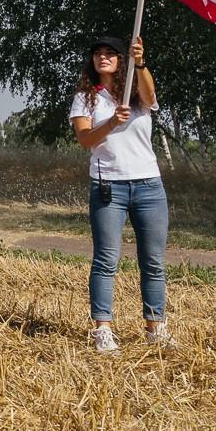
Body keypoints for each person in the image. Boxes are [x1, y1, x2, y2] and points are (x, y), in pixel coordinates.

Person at [69, 33, 172, 353]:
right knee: (106, 260)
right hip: (108, 185)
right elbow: (86, 140)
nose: (103, 57)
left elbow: (151, 95)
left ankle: (156, 328)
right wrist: (112, 123)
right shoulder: (86, 98)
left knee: (153, 262)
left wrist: (141, 63)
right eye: (98, 53)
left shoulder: (136, 93)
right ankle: (103, 329)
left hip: (149, 185)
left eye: (110, 53)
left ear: (120, 59)